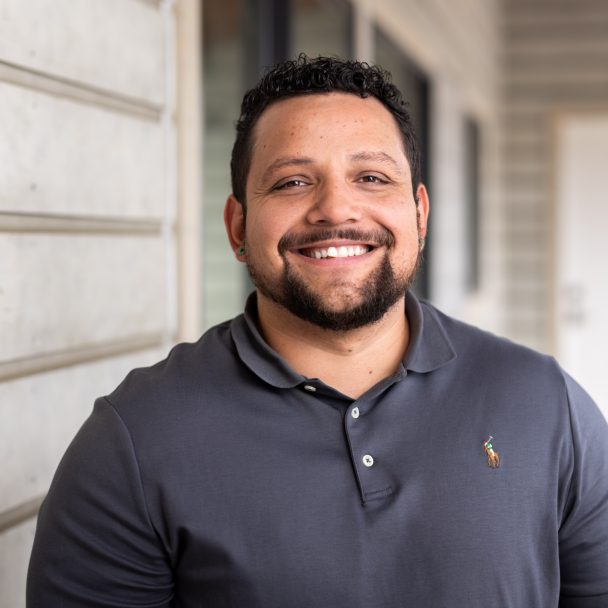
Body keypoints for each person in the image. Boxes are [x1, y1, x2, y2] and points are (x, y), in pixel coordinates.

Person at [27, 55, 608, 608]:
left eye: (371, 177)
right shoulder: (135, 440)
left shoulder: (546, 405)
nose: (335, 209)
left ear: (420, 215)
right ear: (237, 227)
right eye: (292, 182)